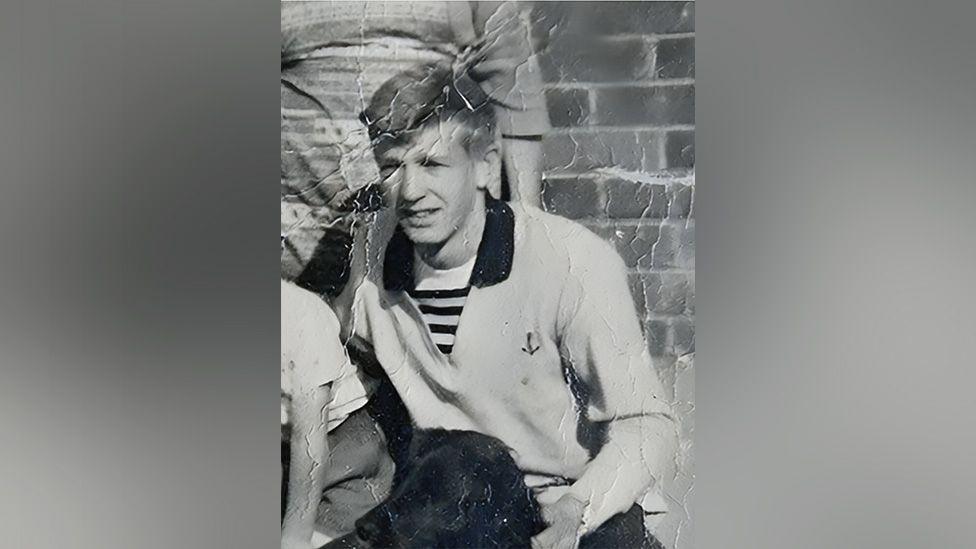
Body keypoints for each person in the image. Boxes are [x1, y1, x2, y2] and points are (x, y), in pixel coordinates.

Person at [350, 61, 678, 549]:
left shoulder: (569, 260)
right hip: (458, 501)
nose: (410, 191)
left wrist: (577, 507)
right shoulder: (373, 256)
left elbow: (650, 426)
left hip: (566, 502)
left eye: (432, 165)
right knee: (462, 465)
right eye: (392, 166)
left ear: (485, 164)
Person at [280, 280, 372, 549]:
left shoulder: (302, 317)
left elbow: (308, 440)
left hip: (338, 437)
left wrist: (296, 536)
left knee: (334, 536)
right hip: (285, 441)